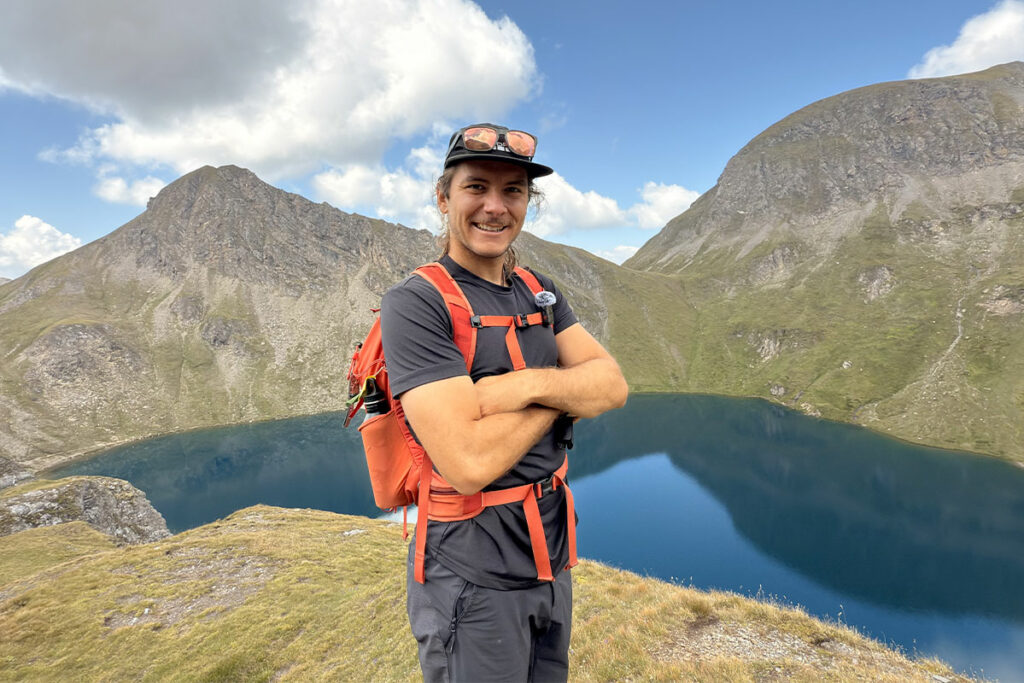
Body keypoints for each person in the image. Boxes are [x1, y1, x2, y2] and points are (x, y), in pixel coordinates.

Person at [379, 123, 628, 682]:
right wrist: (566, 393)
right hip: (471, 570)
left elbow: (611, 385)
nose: (494, 206)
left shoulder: (538, 289)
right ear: (443, 198)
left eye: (513, 190)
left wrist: (523, 389)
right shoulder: (416, 303)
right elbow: (468, 464)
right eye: (476, 188)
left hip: (549, 554)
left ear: (527, 203)